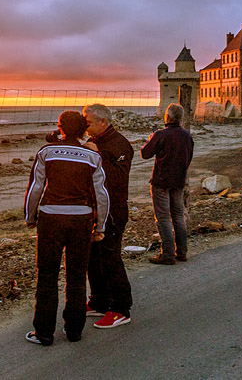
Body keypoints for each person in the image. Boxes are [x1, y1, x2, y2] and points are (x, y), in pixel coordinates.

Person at [24, 111, 109, 346]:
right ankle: (74, 331)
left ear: (60, 128)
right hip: (81, 219)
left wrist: (30, 217)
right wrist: (99, 225)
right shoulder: (92, 156)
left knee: (48, 275)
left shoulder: (46, 152)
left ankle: (43, 332)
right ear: (84, 129)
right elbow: (101, 195)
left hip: (51, 216)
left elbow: (36, 188)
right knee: (76, 276)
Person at [82, 103, 134, 329]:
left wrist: (96, 154)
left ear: (103, 122)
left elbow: (116, 180)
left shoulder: (119, 144)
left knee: (111, 257)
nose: (86, 127)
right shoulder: (95, 142)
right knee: (92, 257)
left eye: (89, 122)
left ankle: (121, 308)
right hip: (93, 209)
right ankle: (99, 300)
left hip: (113, 210)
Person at [141, 103, 193, 265]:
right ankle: (182, 252)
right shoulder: (187, 136)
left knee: (163, 217)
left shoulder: (161, 135)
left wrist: (152, 139)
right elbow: (188, 157)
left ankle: (168, 254)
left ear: (168, 117)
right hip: (179, 180)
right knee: (178, 215)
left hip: (161, 181)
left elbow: (145, 154)